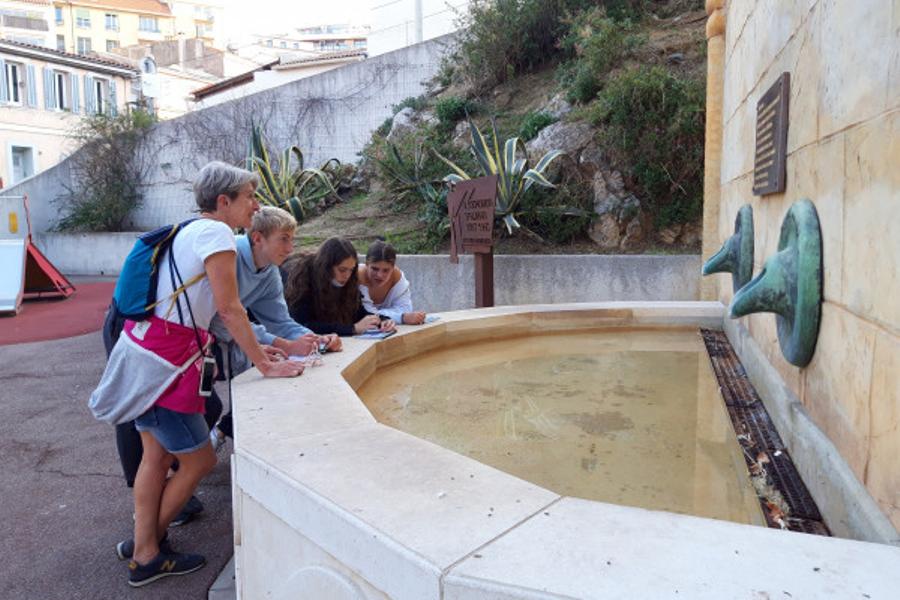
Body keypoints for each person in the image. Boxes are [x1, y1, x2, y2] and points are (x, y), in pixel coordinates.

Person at [99, 161, 303, 587]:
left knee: (156, 457)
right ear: (224, 201)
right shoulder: (216, 233)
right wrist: (265, 363)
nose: (256, 205)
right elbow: (229, 309)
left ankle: (141, 543)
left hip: (146, 351)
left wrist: (261, 349)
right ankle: (146, 552)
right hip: (168, 363)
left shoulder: (188, 230)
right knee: (201, 459)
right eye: (250, 197)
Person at [207, 206, 343, 445]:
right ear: (258, 238)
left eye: (291, 239)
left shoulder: (269, 270)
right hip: (181, 338)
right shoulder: (229, 255)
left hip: (217, 340)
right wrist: (284, 345)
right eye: (284, 239)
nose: (290, 248)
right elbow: (222, 317)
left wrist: (316, 339)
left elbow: (280, 321)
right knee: (202, 409)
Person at [283, 237, 396, 336]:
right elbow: (302, 324)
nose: (347, 276)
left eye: (351, 270)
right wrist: (352, 329)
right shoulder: (303, 279)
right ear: (326, 266)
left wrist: (381, 320)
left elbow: (357, 312)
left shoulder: (349, 280)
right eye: (342, 270)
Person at [358, 239, 427, 325]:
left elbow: (406, 309)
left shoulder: (397, 277)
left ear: (393, 268)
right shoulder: (356, 276)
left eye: (386, 270)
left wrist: (389, 317)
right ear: (366, 264)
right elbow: (363, 314)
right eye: (375, 269)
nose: (379, 275)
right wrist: (401, 317)